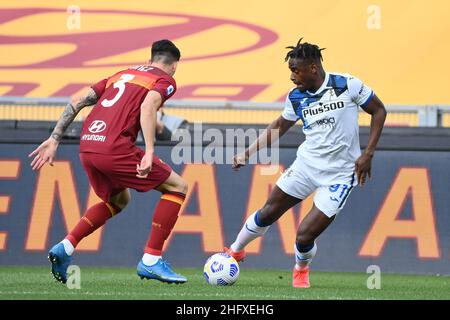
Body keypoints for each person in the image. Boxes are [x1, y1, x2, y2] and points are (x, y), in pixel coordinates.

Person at [225, 38, 387, 288]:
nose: (292, 77)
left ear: (313, 68)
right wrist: (247, 153)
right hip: (306, 167)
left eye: (294, 70)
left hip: (340, 176)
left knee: (303, 236)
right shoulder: (296, 97)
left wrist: (368, 153)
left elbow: (379, 111)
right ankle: (234, 251)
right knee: (268, 212)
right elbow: (279, 126)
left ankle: (301, 267)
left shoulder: (347, 85)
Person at [29, 39, 188, 284]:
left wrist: (54, 138)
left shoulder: (121, 75)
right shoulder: (165, 80)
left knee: (118, 200)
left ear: (150, 60)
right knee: (177, 187)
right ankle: (151, 260)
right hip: (114, 147)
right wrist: (148, 151)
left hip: (88, 146)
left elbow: (77, 102)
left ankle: (66, 246)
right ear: (174, 65)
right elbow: (148, 108)